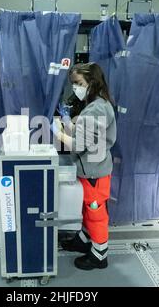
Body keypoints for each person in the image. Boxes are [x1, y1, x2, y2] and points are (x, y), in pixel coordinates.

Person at [52, 62, 116, 270]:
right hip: (89, 169)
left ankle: (99, 255)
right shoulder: (93, 105)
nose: (75, 88)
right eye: (73, 84)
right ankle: (83, 239)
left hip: (95, 172)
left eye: (78, 83)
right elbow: (84, 133)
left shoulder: (97, 108)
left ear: (92, 82)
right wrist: (68, 123)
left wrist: (59, 133)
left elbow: (79, 144)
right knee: (87, 208)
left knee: (95, 213)